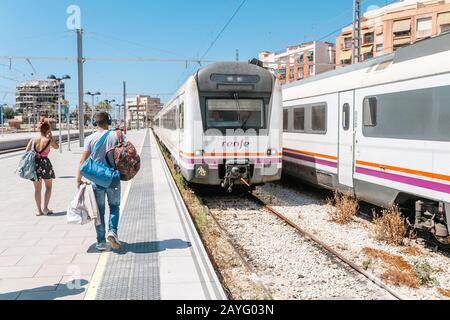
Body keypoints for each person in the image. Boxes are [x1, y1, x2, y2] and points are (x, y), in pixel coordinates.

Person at [76, 111, 125, 251]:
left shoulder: (89, 139)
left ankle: (101, 242)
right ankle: (112, 231)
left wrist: (78, 179)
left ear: (94, 122)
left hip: (97, 181)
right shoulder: (117, 135)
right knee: (114, 206)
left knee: (99, 211)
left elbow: (82, 160)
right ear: (108, 121)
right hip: (113, 179)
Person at [25, 118, 59, 216]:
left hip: (35, 164)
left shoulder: (33, 139)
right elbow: (56, 147)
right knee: (48, 187)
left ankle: (38, 210)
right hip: (45, 164)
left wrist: (35, 154)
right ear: (48, 129)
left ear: (39, 128)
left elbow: (26, 152)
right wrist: (51, 137)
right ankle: (45, 208)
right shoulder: (48, 140)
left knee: (37, 189)